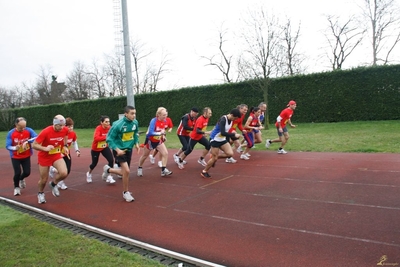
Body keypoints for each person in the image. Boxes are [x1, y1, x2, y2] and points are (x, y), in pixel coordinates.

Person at [104, 105, 140, 202]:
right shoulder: (117, 125)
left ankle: (109, 170)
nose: (134, 116)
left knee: (124, 173)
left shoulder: (135, 123)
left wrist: (136, 143)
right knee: (127, 171)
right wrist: (117, 149)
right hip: (119, 150)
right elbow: (109, 139)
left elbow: (136, 133)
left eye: (135, 113)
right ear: (126, 114)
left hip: (128, 150)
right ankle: (125, 192)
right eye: (132, 113)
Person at [32, 115, 70, 203]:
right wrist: (45, 148)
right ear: (54, 124)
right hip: (44, 156)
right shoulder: (46, 131)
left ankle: (53, 184)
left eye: (63, 125)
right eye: (60, 125)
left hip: (55, 154)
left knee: (64, 173)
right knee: (44, 179)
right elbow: (34, 145)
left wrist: (65, 146)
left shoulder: (65, 129)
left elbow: (66, 135)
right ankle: (40, 193)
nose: (62, 127)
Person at [201, 109, 242, 178]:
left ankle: (215, 157)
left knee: (230, 154)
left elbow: (227, 131)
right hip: (215, 139)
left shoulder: (231, 120)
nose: (235, 120)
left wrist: (234, 134)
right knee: (214, 158)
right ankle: (204, 171)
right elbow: (223, 132)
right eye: (235, 118)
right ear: (232, 115)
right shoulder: (223, 120)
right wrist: (233, 135)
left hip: (222, 139)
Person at [6, 117, 38, 196]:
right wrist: (15, 148)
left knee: (27, 172)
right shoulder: (11, 133)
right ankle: (16, 187)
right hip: (15, 157)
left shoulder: (29, 130)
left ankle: (21, 178)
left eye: (24, 127)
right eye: (21, 127)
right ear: (16, 125)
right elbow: (7, 146)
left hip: (26, 155)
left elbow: (37, 137)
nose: (23, 129)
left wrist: (27, 141)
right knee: (17, 172)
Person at [137, 107, 173, 177]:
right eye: (164, 115)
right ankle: (140, 167)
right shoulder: (153, 121)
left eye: (166, 115)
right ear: (158, 115)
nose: (165, 117)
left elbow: (162, 130)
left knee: (165, 153)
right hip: (150, 141)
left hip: (158, 141)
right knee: (145, 156)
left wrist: (163, 136)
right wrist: (160, 133)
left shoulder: (165, 121)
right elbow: (150, 132)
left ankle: (163, 170)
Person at [49, 117, 81, 190]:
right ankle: (56, 175)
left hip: (66, 153)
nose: (70, 128)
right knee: (62, 170)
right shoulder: (61, 134)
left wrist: (77, 150)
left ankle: (57, 177)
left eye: (72, 126)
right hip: (58, 154)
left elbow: (74, 142)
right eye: (68, 126)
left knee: (68, 170)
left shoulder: (73, 134)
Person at [86, 116, 115, 184]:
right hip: (96, 148)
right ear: (101, 122)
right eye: (106, 122)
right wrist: (106, 137)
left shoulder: (109, 128)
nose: (108, 123)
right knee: (94, 163)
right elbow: (96, 138)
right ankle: (89, 173)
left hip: (104, 147)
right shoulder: (98, 128)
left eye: (108, 121)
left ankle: (109, 176)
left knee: (111, 160)